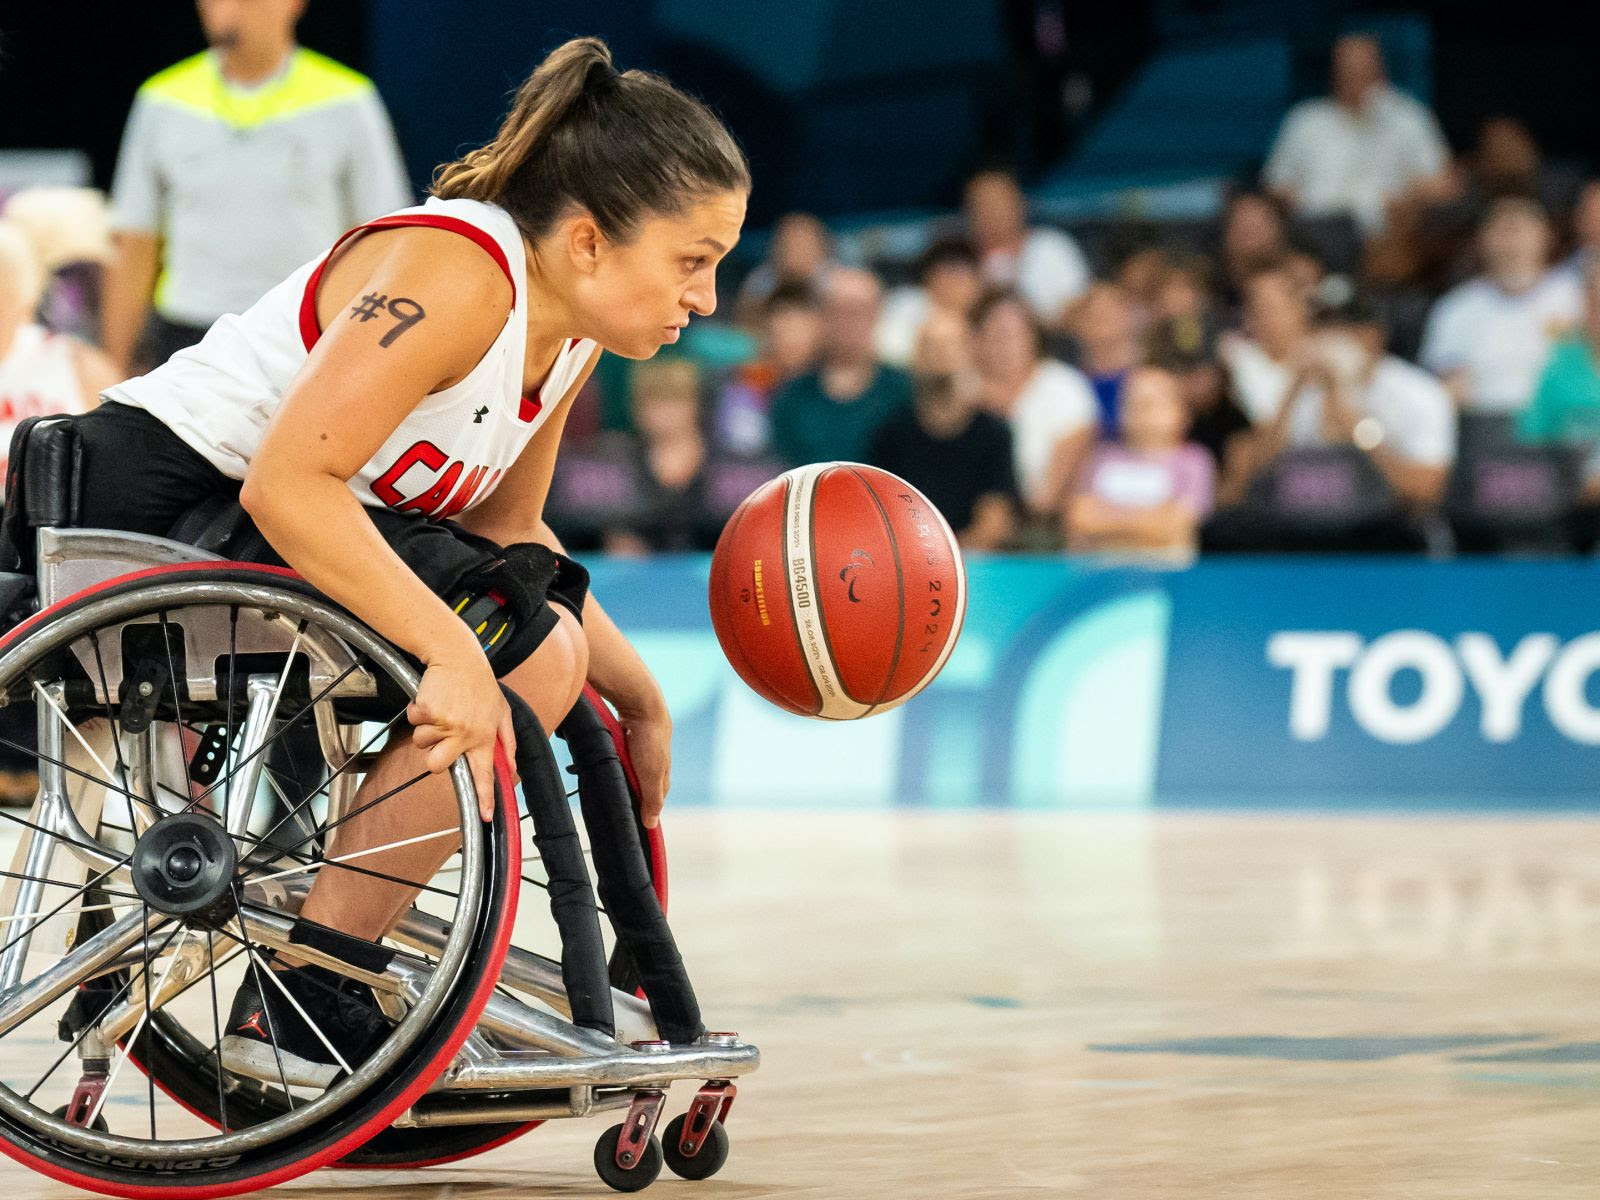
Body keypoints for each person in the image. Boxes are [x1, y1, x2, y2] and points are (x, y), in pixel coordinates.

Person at [47, 37, 748, 1081]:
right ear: (592, 241)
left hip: (257, 532)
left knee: (531, 637)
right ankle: (309, 990)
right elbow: (287, 483)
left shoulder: (567, 335)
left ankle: (323, 979)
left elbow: (512, 545)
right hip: (152, 500)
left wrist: (640, 696)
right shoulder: (460, 271)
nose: (708, 298)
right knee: (516, 653)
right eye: (694, 260)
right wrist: (454, 656)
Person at [102, 0, 411, 374]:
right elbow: (134, 241)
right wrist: (114, 368)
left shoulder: (349, 101)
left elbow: (382, 241)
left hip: (302, 335)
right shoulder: (161, 99)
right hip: (186, 337)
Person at [1220, 288, 1455, 512]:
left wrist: (1360, 432)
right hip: (1300, 531)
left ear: (1373, 335)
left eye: (1343, 327)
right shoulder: (1301, 391)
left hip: (1387, 531)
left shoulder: (1418, 394)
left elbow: (1427, 490)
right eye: (1322, 326)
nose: (1329, 338)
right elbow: (1250, 482)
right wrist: (1292, 392)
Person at [1262, 33, 1451, 234]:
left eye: (1363, 68)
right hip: (1313, 228)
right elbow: (1275, 185)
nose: (1354, 75)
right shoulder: (1305, 119)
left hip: (1383, 234)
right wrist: (1305, 201)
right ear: (1333, 71)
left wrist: (1399, 202)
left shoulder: (1408, 118)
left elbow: (1440, 185)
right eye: (1347, 68)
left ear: (1380, 69)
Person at [1419, 196, 1582, 421]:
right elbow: (1447, 382)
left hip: (1567, 424)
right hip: (1486, 428)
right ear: (1482, 240)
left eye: (1518, 231)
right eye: (1501, 232)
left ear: (1546, 236)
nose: (1511, 244)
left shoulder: (1578, 296)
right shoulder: (1455, 308)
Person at [868, 308, 1017, 551]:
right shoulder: (890, 433)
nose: (939, 356)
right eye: (930, 346)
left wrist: (943, 561)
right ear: (915, 356)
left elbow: (994, 523)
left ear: (970, 351)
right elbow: (881, 518)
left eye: (949, 346)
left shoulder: (994, 433)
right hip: (906, 563)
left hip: (974, 564)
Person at [768, 267, 913, 466]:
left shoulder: (905, 391)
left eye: (858, 311)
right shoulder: (792, 396)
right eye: (837, 310)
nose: (848, 322)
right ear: (821, 316)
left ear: (877, 315)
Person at [972, 288, 1096, 518]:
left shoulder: (1064, 387)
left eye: (1014, 335)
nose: (1006, 346)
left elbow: (1045, 499)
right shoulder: (963, 391)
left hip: (1039, 525)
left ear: (1033, 337)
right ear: (976, 340)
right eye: (997, 335)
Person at [1066, 365, 1214, 557]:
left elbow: (1174, 525)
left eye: (1151, 402)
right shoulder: (1101, 457)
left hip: (1164, 579)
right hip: (1099, 575)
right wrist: (1149, 521)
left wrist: (1106, 521)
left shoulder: (1194, 462)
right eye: (1131, 401)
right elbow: (1079, 519)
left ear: (1181, 411)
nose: (1140, 409)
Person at [963, 167, 1089, 327]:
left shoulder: (1051, 246)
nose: (992, 212)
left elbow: (1083, 309)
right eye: (982, 204)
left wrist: (1030, 317)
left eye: (999, 201)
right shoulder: (960, 265)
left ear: (1020, 204)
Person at [713, 280, 820, 454]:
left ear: (817, 328)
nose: (787, 338)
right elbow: (740, 443)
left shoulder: (829, 383)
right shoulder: (744, 381)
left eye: (795, 326)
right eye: (780, 326)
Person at [876, 236, 982, 367]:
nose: (956, 282)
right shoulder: (907, 304)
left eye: (964, 273)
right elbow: (887, 351)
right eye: (949, 272)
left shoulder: (986, 313)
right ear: (930, 277)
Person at [733, 211, 836, 325]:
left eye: (802, 245)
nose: (795, 251)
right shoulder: (759, 284)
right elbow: (744, 327)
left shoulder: (840, 286)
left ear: (820, 248)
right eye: (788, 244)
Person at [1069, 281, 1143, 437]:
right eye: (1093, 314)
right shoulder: (1066, 380)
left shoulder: (1150, 376)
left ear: (1128, 317)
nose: (1102, 319)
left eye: (1110, 311)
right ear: (1077, 324)